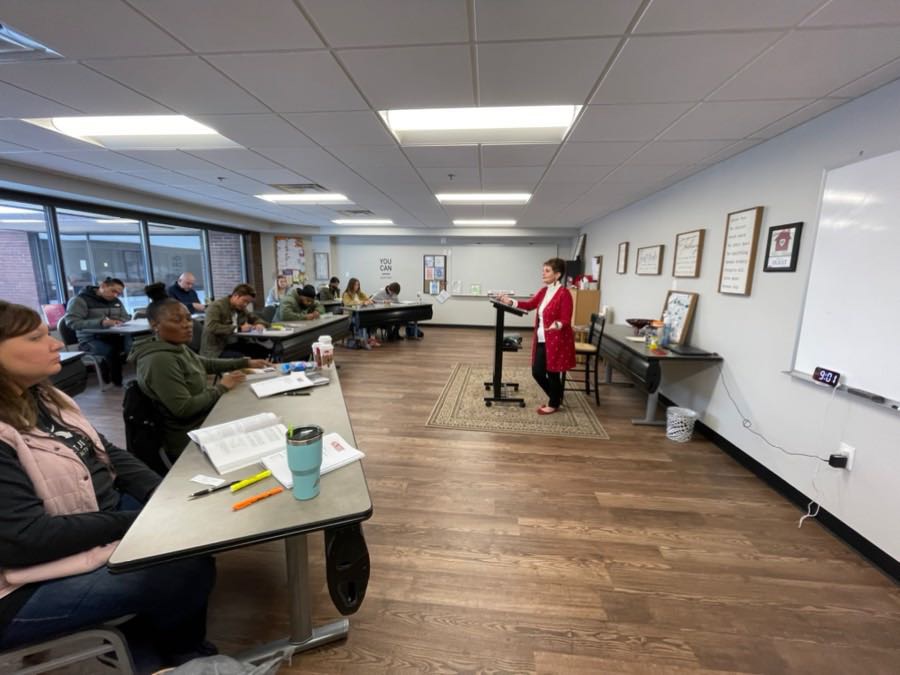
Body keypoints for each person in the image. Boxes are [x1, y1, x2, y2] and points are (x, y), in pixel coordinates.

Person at [0, 300, 216, 670]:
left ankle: (146, 639)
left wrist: (160, 493)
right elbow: (25, 540)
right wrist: (132, 524)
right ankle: (181, 653)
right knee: (184, 567)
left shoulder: (46, 398)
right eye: (37, 337)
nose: (55, 343)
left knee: (193, 529)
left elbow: (106, 451)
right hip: (20, 589)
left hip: (92, 518)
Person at [130, 284, 270, 460]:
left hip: (206, 419)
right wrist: (221, 388)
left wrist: (245, 362)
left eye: (188, 319)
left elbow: (206, 364)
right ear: (154, 325)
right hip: (189, 438)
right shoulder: (158, 360)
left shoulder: (176, 347)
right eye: (177, 320)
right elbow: (184, 408)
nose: (187, 325)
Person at [499, 258, 575, 415]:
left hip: (556, 340)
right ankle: (556, 397)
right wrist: (509, 301)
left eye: (547, 271)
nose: (543, 273)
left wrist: (557, 325)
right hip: (542, 339)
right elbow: (529, 305)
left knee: (553, 372)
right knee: (537, 372)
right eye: (543, 270)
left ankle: (554, 403)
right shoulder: (544, 291)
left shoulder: (564, 293)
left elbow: (566, 319)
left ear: (558, 274)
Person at [63, 277, 131, 386]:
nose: (115, 295)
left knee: (133, 343)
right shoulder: (79, 300)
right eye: (113, 291)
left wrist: (119, 321)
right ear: (103, 286)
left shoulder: (116, 301)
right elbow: (72, 323)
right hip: (90, 339)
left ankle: (140, 377)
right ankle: (117, 382)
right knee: (112, 351)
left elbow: (126, 317)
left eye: (118, 293)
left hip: (113, 335)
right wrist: (101, 322)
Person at [200, 284, 269, 359]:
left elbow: (254, 318)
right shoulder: (216, 306)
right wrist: (239, 328)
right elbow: (211, 326)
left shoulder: (241, 308)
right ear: (235, 296)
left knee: (262, 351)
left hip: (234, 344)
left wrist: (260, 324)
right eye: (244, 301)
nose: (245, 304)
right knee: (243, 358)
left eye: (248, 303)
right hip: (216, 350)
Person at [341, 278, 379, 349]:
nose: (357, 286)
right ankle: (363, 341)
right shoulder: (346, 294)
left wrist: (370, 301)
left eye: (358, 285)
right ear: (351, 285)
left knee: (374, 319)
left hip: (361, 314)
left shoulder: (360, 293)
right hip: (350, 316)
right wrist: (362, 302)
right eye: (355, 285)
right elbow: (348, 303)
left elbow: (367, 299)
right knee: (362, 321)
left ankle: (371, 339)